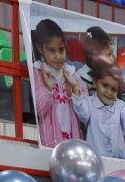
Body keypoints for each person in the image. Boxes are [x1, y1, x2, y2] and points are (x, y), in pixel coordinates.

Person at [72, 67, 125, 160]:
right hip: (96, 160)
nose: (109, 92)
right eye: (105, 85)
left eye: (114, 89)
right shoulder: (89, 103)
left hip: (118, 160)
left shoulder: (119, 106)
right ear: (95, 82)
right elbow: (81, 111)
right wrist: (75, 88)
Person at [31, 18, 85, 148]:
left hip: (73, 147)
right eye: (52, 50)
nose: (58, 56)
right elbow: (37, 112)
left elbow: (85, 115)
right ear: (40, 48)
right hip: (49, 147)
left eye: (61, 50)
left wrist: (73, 91)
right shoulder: (36, 73)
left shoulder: (74, 76)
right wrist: (47, 89)